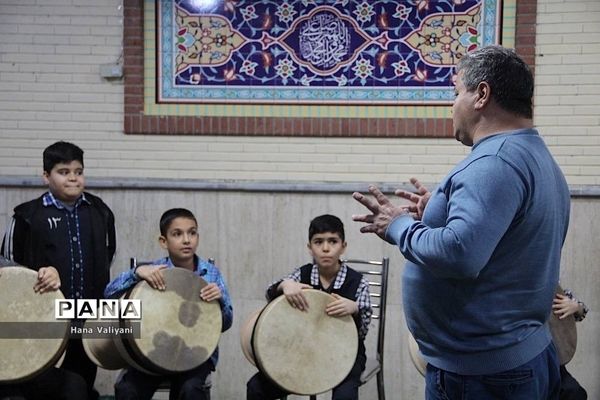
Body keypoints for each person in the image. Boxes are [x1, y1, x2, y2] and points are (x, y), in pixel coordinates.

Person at [352, 45, 570, 399]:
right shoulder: (533, 156)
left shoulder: (495, 162)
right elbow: (506, 239)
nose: (451, 106)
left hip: (485, 377)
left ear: (481, 95)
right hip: (511, 362)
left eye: (456, 93)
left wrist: (398, 226)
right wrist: (436, 214)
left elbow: (460, 254)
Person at [1, 141, 116, 400]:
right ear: (46, 176)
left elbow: (108, 254)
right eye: (64, 172)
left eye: (78, 171)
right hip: (40, 318)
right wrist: (39, 274)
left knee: (80, 386)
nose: (73, 178)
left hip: (88, 315)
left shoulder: (101, 212)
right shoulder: (27, 216)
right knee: (40, 385)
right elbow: (6, 264)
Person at [104, 207, 233, 400]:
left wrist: (220, 300)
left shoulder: (211, 274)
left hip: (195, 356)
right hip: (152, 353)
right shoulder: (154, 271)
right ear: (163, 241)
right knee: (127, 389)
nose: (187, 240)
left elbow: (226, 323)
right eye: (177, 234)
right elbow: (108, 295)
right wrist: (136, 273)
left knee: (190, 390)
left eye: (192, 232)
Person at [246, 214, 372, 400]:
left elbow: (362, 334)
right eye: (318, 242)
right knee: (256, 387)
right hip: (301, 352)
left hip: (345, 357)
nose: (326, 248)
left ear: (343, 246)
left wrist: (354, 310)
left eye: (333, 241)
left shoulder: (357, 282)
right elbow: (270, 292)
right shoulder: (303, 274)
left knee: (344, 396)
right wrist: (284, 286)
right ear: (309, 248)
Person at [553, 289, 588, 400]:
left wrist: (576, 306)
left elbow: (583, 311)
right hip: (532, 357)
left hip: (554, 359)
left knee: (575, 393)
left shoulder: (555, 289)